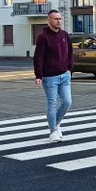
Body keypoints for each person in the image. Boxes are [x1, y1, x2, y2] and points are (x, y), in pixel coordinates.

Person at [34, 10, 74, 142]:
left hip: (64, 75)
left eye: (60, 19)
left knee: (67, 102)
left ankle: (56, 124)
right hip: (50, 77)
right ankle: (53, 131)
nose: (59, 21)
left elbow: (70, 53)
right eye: (56, 19)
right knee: (52, 103)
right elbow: (38, 57)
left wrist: (69, 69)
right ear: (49, 20)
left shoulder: (64, 35)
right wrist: (38, 75)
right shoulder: (43, 37)